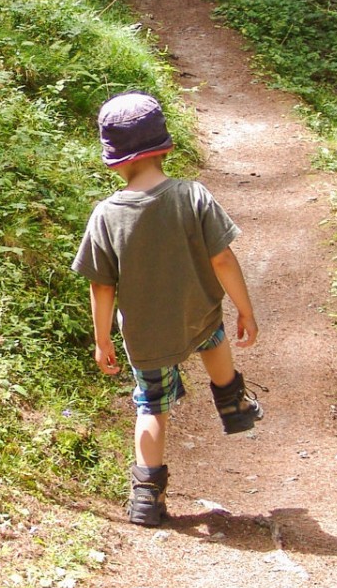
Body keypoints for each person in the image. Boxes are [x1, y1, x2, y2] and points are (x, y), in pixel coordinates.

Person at [71, 91, 261, 527]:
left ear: (115, 160)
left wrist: (102, 340)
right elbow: (223, 259)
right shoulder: (192, 196)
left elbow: (102, 286)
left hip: (145, 335)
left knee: (151, 407)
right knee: (213, 334)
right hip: (197, 312)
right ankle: (232, 403)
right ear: (163, 147)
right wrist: (245, 309)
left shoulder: (105, 215)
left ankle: (145, 498)